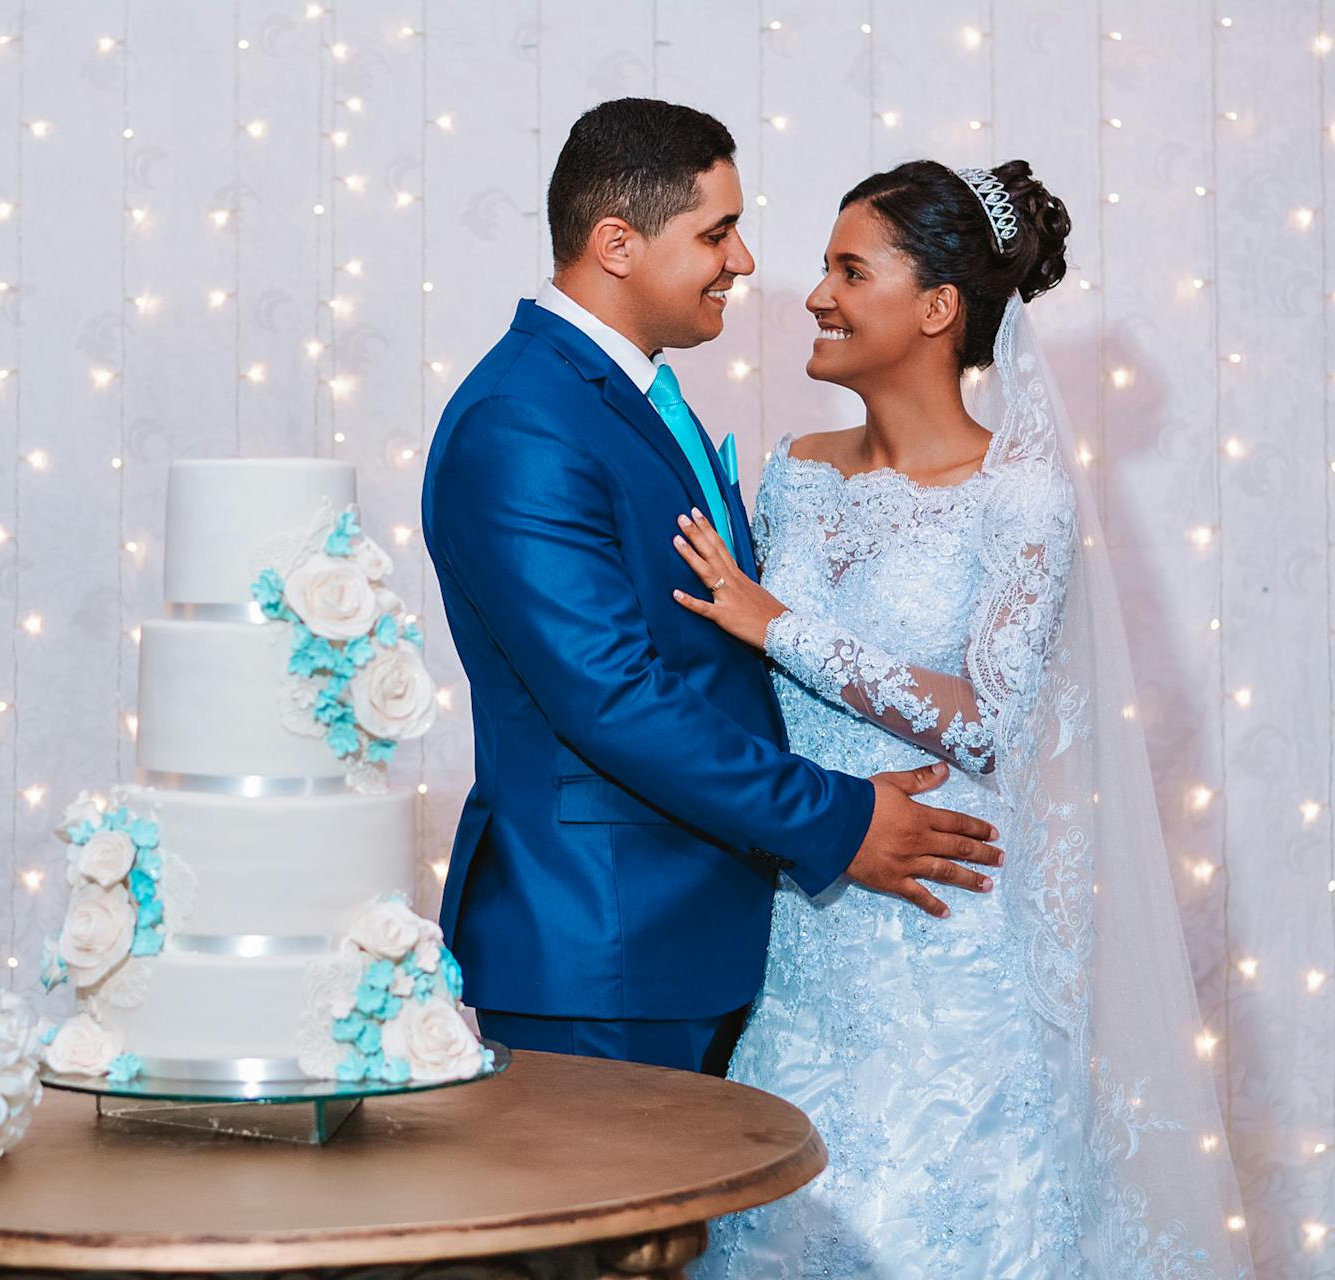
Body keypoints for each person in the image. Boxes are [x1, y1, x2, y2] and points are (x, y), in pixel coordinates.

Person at [676, 159, 1250, 1276]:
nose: (815, 293)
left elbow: (990, 719)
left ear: (939, 308)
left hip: (948, 941)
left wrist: (780, 623)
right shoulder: (794, 474)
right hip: (809, 927)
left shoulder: (1018, 495)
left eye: (851, 269)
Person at [420, 98, 1001, 1080]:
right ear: (616, 244)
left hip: (698, 929)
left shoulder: (627, 394)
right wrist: (843, 818)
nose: (743, 261)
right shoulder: (522, 422)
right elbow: (613, 697)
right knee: (608, 1238)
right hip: (604, 945)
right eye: (717, 232)